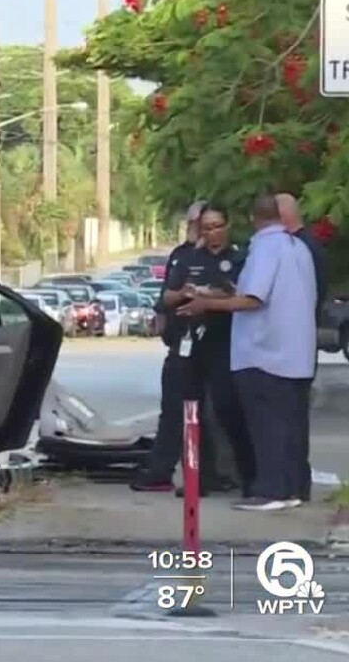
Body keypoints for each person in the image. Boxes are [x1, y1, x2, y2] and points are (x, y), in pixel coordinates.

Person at [177, 194, 317, 511]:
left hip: (265, 353)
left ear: (254, 218)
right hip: (296, 353)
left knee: (266, 427)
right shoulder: (299, 248)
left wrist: (207, 303)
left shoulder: (266, 249)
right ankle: (293, 489)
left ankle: (271, 491)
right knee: (291, 428)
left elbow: (253, 299)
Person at [160, 203, 251, 497]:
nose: (213, 233)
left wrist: (213, 296)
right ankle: (196, 477)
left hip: (225, 342)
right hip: (191, 342)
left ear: (228, 226)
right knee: (191, 410)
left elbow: (244, 295)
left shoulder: (239, 258)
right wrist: (185, 293)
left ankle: (249, 476)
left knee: (228, 407)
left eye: (217, 226)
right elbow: (168, 296)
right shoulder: (189, 258)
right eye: (207, 227)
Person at [130, 201, 208, 492]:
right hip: (180, 346)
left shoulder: (219, 258)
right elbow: (165, 298)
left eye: (196, 223)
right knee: (173, 411)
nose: (192, 228)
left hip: (209, 347)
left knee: (206, 415)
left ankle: (207, 474)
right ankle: (160, 469)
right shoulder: (181, 255)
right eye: (190, 223)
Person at [275, 193, 328, 502]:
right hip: (298, 341)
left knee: (290, 415)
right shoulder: (305, 246)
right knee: (291, 415)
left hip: (295, 342)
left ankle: (293, 481)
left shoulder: (302, 249)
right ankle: (294, 480)